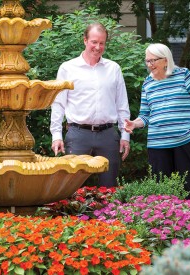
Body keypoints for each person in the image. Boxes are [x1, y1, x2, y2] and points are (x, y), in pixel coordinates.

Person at [124, 43, 190, 201]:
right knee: (160, 193)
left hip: (184, 141)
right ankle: (164, 224)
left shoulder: (183, 75)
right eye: (147, 61)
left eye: (153, 60)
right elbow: (145, 115)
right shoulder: (147, 84)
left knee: (189, 190)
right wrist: (134, 124)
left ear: (165, 60)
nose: (150, 65)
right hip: (157, 144)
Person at [50, 22, 131, 187]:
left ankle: (109, 213)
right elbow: (58, 104)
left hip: (108, 135)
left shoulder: (113, 69)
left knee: (110, 189)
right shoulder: (68, 68)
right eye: (94, 42)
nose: (98, 47)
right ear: (85, 40)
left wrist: (125, 135)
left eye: (102, 43)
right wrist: (56, 135)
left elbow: (122, 105)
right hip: (78, 134)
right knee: (72, 188)